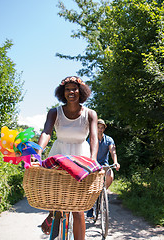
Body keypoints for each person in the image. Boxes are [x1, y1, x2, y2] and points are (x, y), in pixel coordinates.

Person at [34, 76, 98, 240]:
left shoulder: (90, 114)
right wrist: (38, 152)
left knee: (78, 208)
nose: (71, 92)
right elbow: (47, 132)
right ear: (63, 93)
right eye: (67, 89)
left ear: (81, 92)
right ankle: (53, 216)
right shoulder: (55, 112)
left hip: (80, 159)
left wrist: (93, 160)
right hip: (59, 156)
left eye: (74, 89)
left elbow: (93, 138)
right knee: (56, 198)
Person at [86, 119, 120, 218]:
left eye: (102, 128)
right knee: (90, 184)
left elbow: (113, 151)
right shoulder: (91, 139)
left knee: (110, 176)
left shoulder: (109, 139)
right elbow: (87, 152)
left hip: (104, 164)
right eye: (98, 127)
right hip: (93, 163)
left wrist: (115, 162)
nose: (100, 130)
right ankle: (90, 207)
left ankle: (101, 193)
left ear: (104, 128)